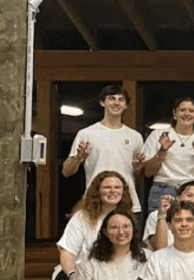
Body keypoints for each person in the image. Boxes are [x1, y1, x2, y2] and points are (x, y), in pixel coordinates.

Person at [55, 171, 134, 280]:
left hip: (112, 272)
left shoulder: (127, 217)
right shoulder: (82, 217)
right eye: (107, 187)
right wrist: (73, 275)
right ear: (97, 191)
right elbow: (67, 252)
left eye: (117, 187)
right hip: (80, 271)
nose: (112, 191)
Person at [61, 84, 144, 217]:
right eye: (111, 98)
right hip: (95, 203)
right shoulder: (86, 134)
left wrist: (137, 167)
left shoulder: (135, 137)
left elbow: (136, 174)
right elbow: (66, 171)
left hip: (127, 203)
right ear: (102, 102)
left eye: (121, 100)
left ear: (126, 106)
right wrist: (78, 158)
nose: (116, 103)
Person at [141, 97, 194, 212]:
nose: (186, 114)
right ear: (174, 113)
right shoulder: (158, 135)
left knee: (192, 223)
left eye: (191, 111)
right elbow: (148, 172)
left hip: (192, 190)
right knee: (160, 222)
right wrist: (162, 151)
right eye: (182, 110)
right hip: (162, 188)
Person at [144, 181, 194, 251]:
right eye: (189, 195)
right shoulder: (155, 216)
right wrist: (162, 216)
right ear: (178, 197)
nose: (193, 200)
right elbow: (160, 250)